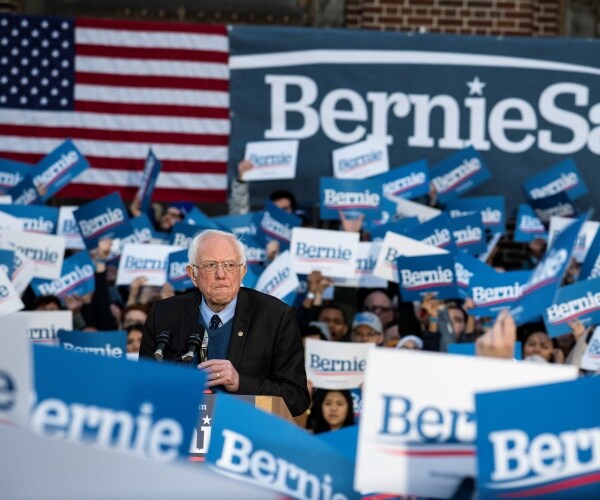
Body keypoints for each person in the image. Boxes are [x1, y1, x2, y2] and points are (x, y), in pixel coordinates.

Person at [140, 229, 310, 417]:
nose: (221, 274)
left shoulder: (276, 317)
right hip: (178, 430)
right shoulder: (164, 314)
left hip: (241, 436)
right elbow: (142, 386)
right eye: (211, 265)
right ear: (192, 274)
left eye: (230, 265)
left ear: (242, 271)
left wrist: (240, 382)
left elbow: (297, 399)